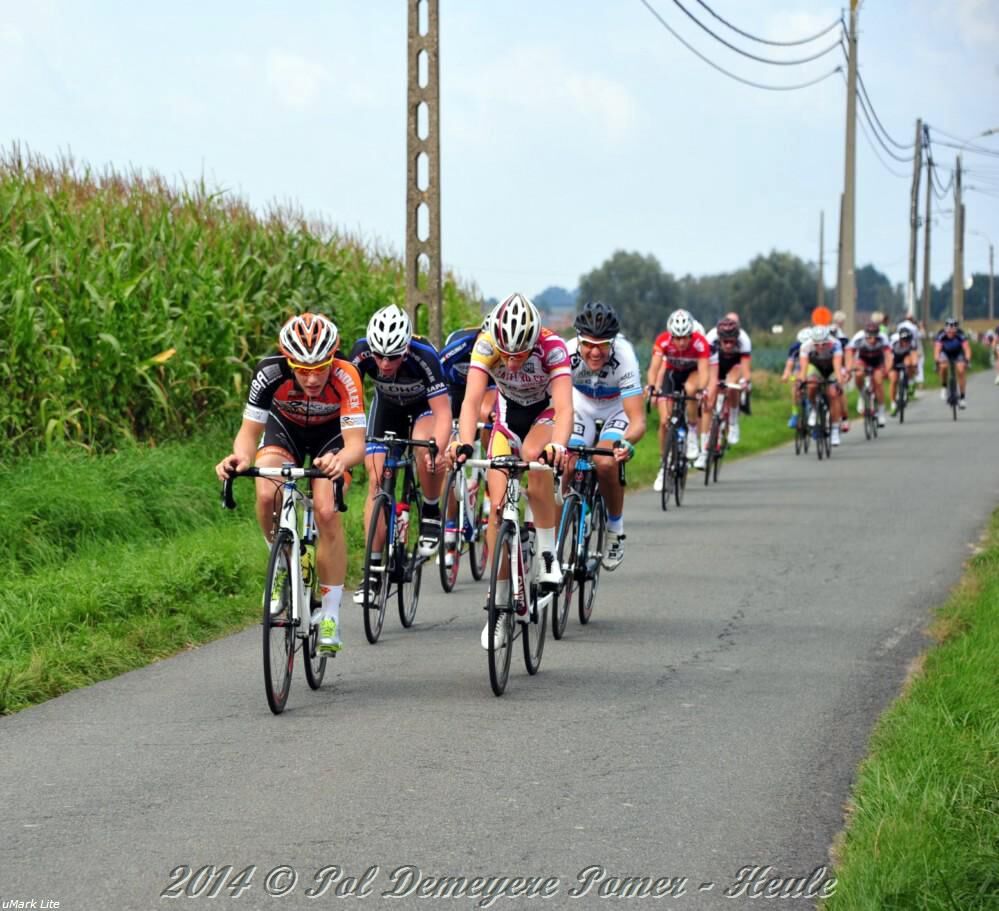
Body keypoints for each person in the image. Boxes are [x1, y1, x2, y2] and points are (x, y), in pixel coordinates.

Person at [215, 313, 367, 653]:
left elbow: (356, 444)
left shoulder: (346, 374)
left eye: (320, 369)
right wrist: (240, 457)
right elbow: (248, 433)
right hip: (285, 431)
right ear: (288, 361)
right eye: (302, 369)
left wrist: (341, 460)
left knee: (326, 511)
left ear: (332, 359)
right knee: (266, 491)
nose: (312, 378)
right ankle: (282, 563)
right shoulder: (269, 372)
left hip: (332, 437)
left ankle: (330, 615)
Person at [448, 293, 573, 649]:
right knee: (497, 509)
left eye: (520, 354)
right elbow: (471, 401)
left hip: (544, 416)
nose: (513, 361)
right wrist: (464, 442)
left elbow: (565, 407)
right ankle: (499, 605)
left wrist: (559, 446)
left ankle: (547, 555)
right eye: (507, 354)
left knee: (536, 456)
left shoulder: (553, 348)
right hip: (507, 420)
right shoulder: (487, 345)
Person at [349, 304, 451, 603]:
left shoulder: (425, 357)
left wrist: (437, 448)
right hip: (387, 409)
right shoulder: (361, 353)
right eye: (379, 355)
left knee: (424, 446)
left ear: (405, 349)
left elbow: (443, 414)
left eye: (392, 357)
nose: (384, 363)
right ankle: (371, 572)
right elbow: (346, 401)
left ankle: (430, 510)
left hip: (423, 410)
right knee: (376, 481)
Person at [566, 301, 645, 570]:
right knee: (567, 459)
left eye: (603, 345)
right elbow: (556, 404)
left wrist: (626, 442)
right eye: (588, 344)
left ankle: (614, 528)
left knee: (605, 462)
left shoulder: (625, 357)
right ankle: (572, 516)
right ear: (579, 340)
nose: (595, 351)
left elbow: (637, 420)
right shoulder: (567, 354)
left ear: (613, 342)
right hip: (581, 406)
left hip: (616, 408)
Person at [438, 317, 498, 567]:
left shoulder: (501, 354)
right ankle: (450, 525)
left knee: (487, 415)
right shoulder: (459, 346)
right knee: (448, 456)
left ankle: (490, 469)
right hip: (455, 388)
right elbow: (435, 379)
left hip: (488, 389)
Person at [649, 309, 711, 479]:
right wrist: (652, 387)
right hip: (672, 375)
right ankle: (664, 463)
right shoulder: (662, 341)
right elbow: (654, 368)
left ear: (691, 335)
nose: (682, 342)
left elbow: (704, 371)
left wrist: (702, 389)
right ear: (671, 336)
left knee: (691, 389)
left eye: (685, 337)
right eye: (677, 338)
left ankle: (692, 433)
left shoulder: (700, 343)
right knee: (664, 421)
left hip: (692, 373)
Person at [705, 316, 751, 445]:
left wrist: (745, 381)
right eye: (725, 342)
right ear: (719, 338)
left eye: (732, 341)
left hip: (735, 365)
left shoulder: (744, 340)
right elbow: (705, 365)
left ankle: (733, 422)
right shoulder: (710, 338)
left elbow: (745, 367)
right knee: (712, 390)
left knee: (732, 385)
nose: (729, 345)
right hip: (716, 363)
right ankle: (711, 428)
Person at [799, 324, 846, 445]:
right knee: (811, 385)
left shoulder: (835, 344)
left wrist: (839, 381)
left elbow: (837, 366)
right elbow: (804, 368)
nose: (820, 347)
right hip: (816, 368)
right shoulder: (806, 346)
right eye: (817, 344)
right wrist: (802, 381)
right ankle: (814, 408)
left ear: (828, 340)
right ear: (812, 341)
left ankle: (835, 430)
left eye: (824, 344)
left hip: (831, 368)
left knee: (833, 393)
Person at [845, 321, 891, 427]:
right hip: (863, 359)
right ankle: (862, 394)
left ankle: (881, 411)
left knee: (878, 381)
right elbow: (849, 353)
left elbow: (888, 356)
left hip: (877, 360)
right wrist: (849, 368)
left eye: (875, 337)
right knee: (858, 373)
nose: (872, 340)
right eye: (869, 337)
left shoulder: (883, 338)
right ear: (865, 334)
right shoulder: (858, 337)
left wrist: (887, 370)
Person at [933, 317, 972, 408]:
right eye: (949, 331)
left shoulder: (960, 334)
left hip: (958, 353)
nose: (951, 333)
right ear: (946, 329)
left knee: (961, 370)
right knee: (943, 366)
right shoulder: (941, 335)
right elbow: (937, 350)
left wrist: (967, 360)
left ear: (956, 330)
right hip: (945, 352)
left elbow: (967, 349)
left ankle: (962, 398)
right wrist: (937, 360)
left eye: (953, 331)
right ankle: (944, 387)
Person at [782, 328, 812, 429]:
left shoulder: (814, 346)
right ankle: (794, 414)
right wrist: (786, 374)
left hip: (812, 366)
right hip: (799, 368)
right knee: (795, 386)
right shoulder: (795, 348)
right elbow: (790, 363)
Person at [887, 327, 918, 413]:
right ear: (900, 339)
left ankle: (910, 381)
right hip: (895, 357)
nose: (906, 342)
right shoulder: (893, 342)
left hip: (906, 356)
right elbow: (888, 356)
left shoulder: (912, 343)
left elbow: (914, 355)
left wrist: (915, 366)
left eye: (908, 340)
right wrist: (889, 369)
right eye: (904, 340)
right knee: (893, 379)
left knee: (909, 362)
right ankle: (893, 403)